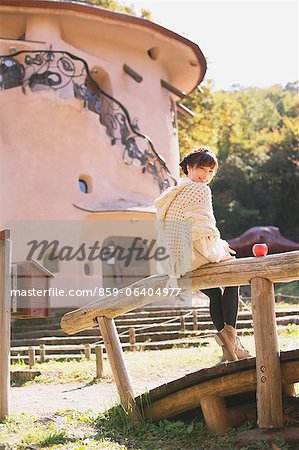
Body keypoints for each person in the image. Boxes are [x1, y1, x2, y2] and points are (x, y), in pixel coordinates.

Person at [154, 147, 250, 362]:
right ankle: (233, 343)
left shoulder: (176, 191)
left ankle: (229, 350)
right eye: (201, 169)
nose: (204, 176)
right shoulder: (200, 190)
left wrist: (219, 246)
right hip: (194, 253)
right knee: (233, 278)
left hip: (176, 259)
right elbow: (202, 227)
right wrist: (217, 252)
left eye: (210, 172)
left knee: (215, 293)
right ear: (189, 167)